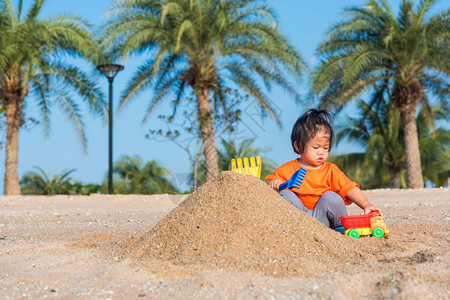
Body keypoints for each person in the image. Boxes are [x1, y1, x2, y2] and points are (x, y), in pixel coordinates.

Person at [265, 109, 381, 232]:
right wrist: (274, 183)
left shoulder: (330, 170)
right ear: (298, 146)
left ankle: (339, 228)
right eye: (315, 147)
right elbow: (269, 183)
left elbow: (349, 188)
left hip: (322, 219)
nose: (321, 152)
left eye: (325, 148)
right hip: (297, 217)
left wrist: (366, 204)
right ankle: (287, 229)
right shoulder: (288, 169)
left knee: (331, 197)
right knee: (285, 194)